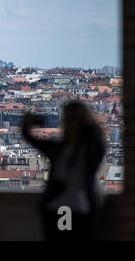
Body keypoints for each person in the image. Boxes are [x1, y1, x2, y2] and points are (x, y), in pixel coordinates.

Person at [22, 101, 105, 240]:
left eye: (72, 120)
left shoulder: (84, 150)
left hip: (67, 208)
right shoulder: (63, 149)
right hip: (68, 208)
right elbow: (30, 138)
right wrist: (28, 123)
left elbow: (97, 142)